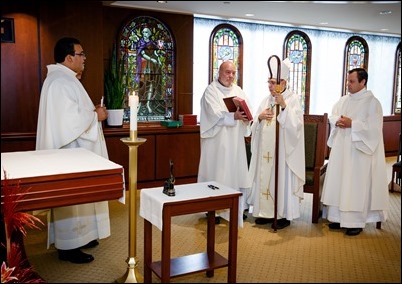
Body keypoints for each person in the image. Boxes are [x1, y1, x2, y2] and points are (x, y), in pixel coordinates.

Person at [36, 37, 110, 263]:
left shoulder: (65, 79)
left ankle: (83, 237)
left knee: (81, 199)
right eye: (81, 54)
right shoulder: (60, 81)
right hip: (68, 154)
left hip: (76, 153)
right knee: (71, 200)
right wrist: (95, 115)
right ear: (69, 58)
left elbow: (74, 112)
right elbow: (68, 122)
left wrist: (92, 112)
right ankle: (68, 247)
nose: (85, 58)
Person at [321, 67, 389, 236]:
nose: (348, 85)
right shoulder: (343, 100)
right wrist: (337, 120)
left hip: (359, 154)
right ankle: (337, 219)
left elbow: (374, 129)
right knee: (339, 182)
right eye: (348, 81)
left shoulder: (372, 103)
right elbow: (333, 115)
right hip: (341, 149)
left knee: (354, 185)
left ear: (363, 82)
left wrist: (354, 124)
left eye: (351, 81)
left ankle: (355, 222)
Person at [246, 58, 305, 230]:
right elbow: (253, 124)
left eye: (274, 83)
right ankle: (265, 213)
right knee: (265, 178)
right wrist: (259, 118)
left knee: (280, 180)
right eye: (269, 82)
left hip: (283, 154)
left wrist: (284, 106)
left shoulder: (293, 99)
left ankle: (282, 214)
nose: (270, 86)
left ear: (284, 82)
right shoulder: (265, 100)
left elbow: (297, 127)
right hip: (265, 151)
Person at [197, 60, 252, 225]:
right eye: (228, 72)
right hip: (217, 142)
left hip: (235, 141)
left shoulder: (238, 90)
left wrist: (246, 117)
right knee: (217, 172)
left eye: (234, 73)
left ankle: (236, 208)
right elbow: (213, 114)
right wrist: (233, 116)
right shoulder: (211, 91)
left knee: (235, 171)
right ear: (219, 72)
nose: (231, 76)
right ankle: (213, 210)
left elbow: (247, 109)